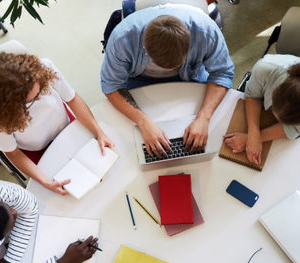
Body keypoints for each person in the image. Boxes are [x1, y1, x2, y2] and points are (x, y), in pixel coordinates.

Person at [100, 4, 234, 157]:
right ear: (145, 46)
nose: (169, 71)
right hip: (139, 78)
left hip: (190, 76)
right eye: (161, 65)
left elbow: (222, 73)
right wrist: (144, 123)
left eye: (175, 65)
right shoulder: (122, 40)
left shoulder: (206, 32)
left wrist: (204, 118)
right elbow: (111, 86)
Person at [0, 52, 115, 195]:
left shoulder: (43, 67)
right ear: (12, 104)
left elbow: (72, 99)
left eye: (41, 88)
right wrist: (46, 182)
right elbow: (13, 154)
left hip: (65, 125)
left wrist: (99, 132)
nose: (39, 99)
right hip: (34, 149)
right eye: (31, 100)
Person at [224, 54, 300, 164]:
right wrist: (253, 135)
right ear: (275, 89)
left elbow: (293, 129)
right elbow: (253, 96)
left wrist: (252, 138)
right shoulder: (265, 68)